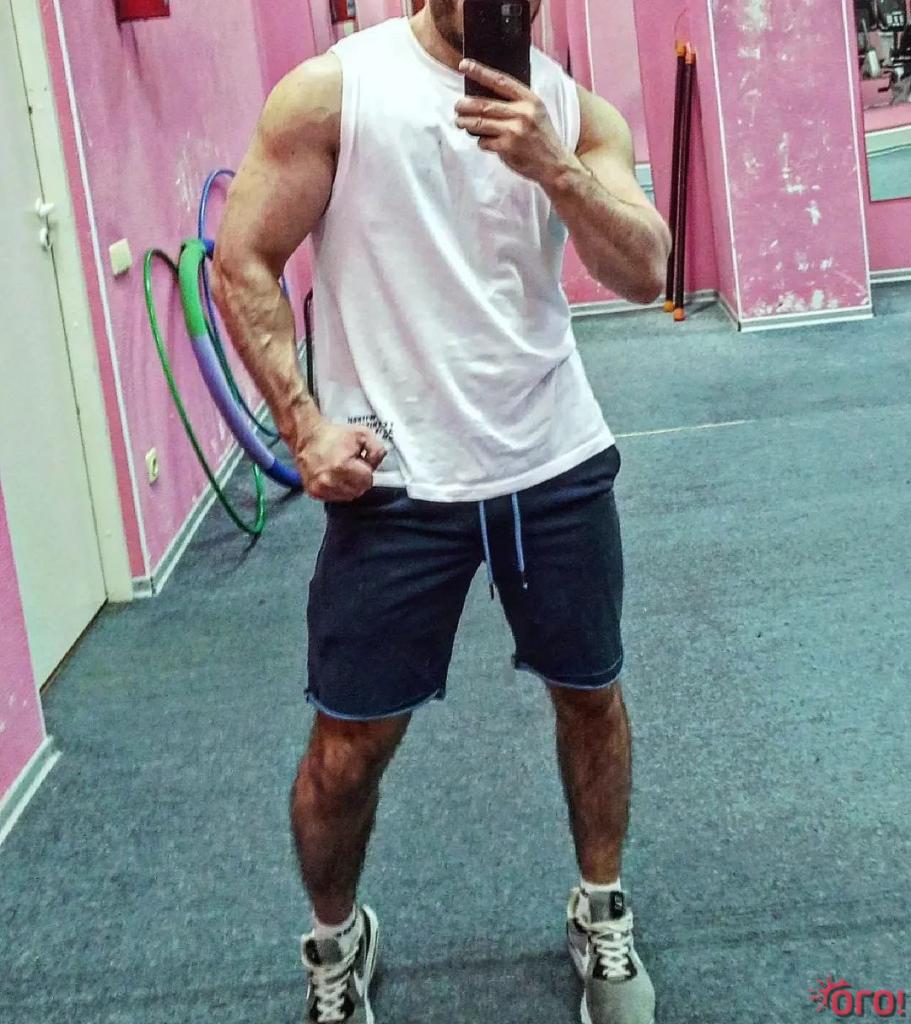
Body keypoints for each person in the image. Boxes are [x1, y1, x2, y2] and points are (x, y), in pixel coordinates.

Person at [212, 1, 670, 1021]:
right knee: (346, 753)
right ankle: (336, 944)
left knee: (590, 697)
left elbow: (646, 271)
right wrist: (302, 424)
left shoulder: (572, 111)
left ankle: (600, 908)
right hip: (395, 480)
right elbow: (241, 256)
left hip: (550, 456)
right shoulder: (334, 93)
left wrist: (555, 167)